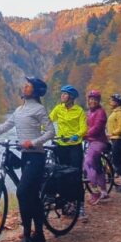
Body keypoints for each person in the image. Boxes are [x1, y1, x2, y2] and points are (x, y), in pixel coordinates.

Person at [0, 77, 55, 242]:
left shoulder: (39, 109)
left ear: (34, 91)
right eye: (25, 85)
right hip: (26, 156)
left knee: (22, 193)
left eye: (28, 86)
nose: (24, 87)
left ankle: (27, 239)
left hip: (36, 157)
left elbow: (51, 132)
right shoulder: (19, 110)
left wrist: (33, 142)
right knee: (32, 197)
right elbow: (5, 126)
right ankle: (39, 235)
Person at [49, 84, 87, 218]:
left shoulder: (79, 110)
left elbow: (83, 128)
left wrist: (77, 134)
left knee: (76, 175)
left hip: (75, 145)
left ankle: (81, 205)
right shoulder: (58, 109)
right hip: (61, 145)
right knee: (62, 175)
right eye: (62, 93)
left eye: (65, 94)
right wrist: (42, 129)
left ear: (71, 97)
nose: (62, 96)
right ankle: (66, 202)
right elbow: (48, 120)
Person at [84, 90, 112, 204]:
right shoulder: (89, 112)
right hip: (91, 141)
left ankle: (95, 191)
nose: (92, 101)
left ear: (98, 101)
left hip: (99, 141)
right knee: (97, 166)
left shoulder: (101, 112)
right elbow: (84, 125)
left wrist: (83, 134)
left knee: (88, 163)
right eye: (91, 99)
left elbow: (97, 128)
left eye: (95, 99)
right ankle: (104, 191)